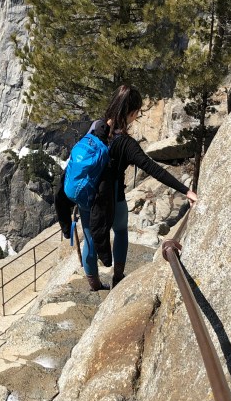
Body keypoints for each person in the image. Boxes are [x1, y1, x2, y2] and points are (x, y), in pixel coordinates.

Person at [79, 84, 198, 291]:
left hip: (87, 195)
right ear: (131, 112)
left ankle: (94, 284)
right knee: (121, 232)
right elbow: (153, 168)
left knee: (89, 236)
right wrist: (186, 190)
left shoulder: (95, 127)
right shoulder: (125, 143)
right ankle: (117, 277)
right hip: (113, 200)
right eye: (137, 112)